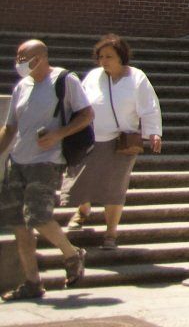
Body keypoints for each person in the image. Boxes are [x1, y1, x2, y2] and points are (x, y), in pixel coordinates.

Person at [1, 40, 91, 300]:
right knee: (19, 224)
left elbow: (86, 115)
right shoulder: (22, 86)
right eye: (18, 56)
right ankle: (31, 282)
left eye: (25, 57)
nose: (20, 61)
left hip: (47, 160)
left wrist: (58, 135)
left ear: (40, 57)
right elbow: (10, 128)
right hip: (18, 161)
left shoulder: (64, 80)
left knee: (38, 216)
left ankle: (72, 254)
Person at [66, 35, 162, 248]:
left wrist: (153, 132)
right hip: (90, 139)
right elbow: (80, 104)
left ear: (121, 57)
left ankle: (111, 233)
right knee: (84, 180)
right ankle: (83, 210)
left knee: (114, 187)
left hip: (121, 143)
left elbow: (150, 106)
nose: (104, 61)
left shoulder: (136, 78)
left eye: (109, 56)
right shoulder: (93, 76)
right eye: (101, 56)